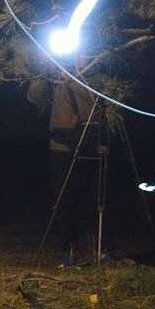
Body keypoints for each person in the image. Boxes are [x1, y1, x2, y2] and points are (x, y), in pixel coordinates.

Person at [27, 74, 110, 266]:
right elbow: (34, 96)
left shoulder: (99, 74)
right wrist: (45, 74)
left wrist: (85, 74)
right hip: (62, 146)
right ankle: (67, 251)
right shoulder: (57, 77)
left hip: (93, 144)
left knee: (98, 198)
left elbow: (112, 99)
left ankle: (103, 250)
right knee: (64, 201)